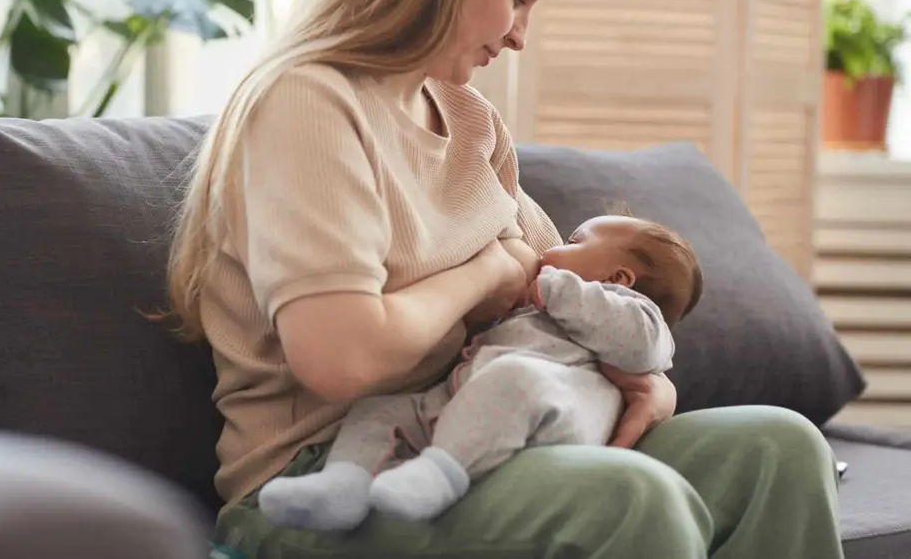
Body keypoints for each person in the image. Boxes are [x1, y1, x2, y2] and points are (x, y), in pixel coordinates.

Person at [165, 0, 846, 556]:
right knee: (629, 498)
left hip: (491, 433)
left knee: (777, 447)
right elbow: (343, 356)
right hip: (331, 476)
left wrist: (652, 386)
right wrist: (484, 269)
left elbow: (564, 295)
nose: (520, 35)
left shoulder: (472, 124)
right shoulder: (309, 102)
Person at [257, 214, 700, 530]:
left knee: (513, 378)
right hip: (467, 396)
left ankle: (440, 476)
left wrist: (556, 288)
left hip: (550, 408)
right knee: (383, 411)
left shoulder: (632, 312)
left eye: (573, 239)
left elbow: (642, 350)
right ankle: (343, 484)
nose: (551, 247)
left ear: (619, 279)